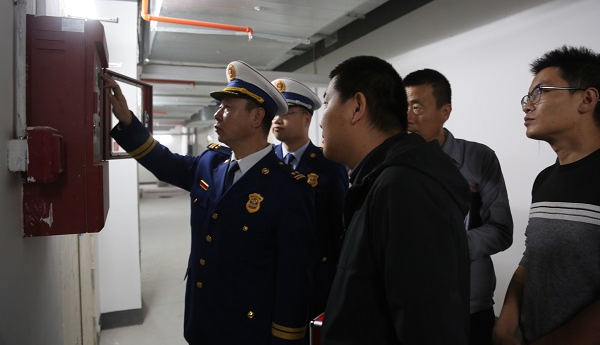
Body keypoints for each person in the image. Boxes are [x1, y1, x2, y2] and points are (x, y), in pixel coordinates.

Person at [105, 60, 317, 345]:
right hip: (202, 317)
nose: (217, 114)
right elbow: (165, 163)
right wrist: (128, 122)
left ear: (257, 117)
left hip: (247, 330)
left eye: (227, 107)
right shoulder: (211, 162)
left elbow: (294, 278)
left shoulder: (288, 189)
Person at [319, 55, 471, 344]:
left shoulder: (403, 187)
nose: (321, 118)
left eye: (327, 102)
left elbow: (429, 328)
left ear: (357, 107)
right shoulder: (379, 180)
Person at [493, 46, 600, 345]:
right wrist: (504, 326)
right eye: (527, 97)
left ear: (586, 99)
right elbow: (532, 258)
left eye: (539, 93)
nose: (527, 106)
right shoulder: (545, 180)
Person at [403, 69, 513, 345]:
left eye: (416, 107)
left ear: (445, 112)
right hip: (408, 301)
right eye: (402, 107)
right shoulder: (393, 163)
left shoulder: (478, 158)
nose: (407, 116)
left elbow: (501, 230)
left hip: (468, 303)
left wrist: (447, 245)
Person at [271, 77, 349, 320]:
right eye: (274, 114)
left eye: (286, 113)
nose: (277, 120)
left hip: (314, 275)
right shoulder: (265, 163)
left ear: (307, 119)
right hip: (271, 273)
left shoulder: (329, 164)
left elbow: (338, 225)